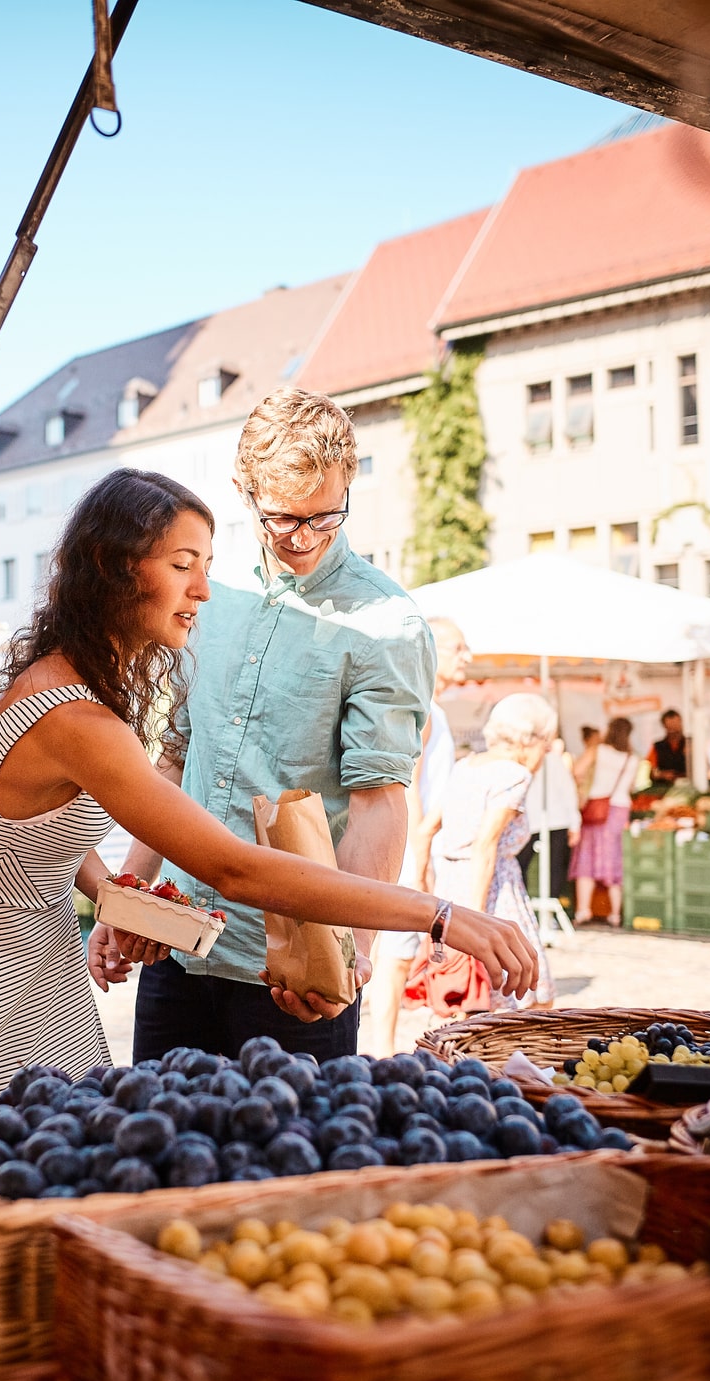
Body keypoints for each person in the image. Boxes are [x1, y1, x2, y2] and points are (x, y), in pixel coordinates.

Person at [0, 469, 538, 1155]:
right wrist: (438, 914)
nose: (203, 590)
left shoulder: (72, 685)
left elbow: (38, 839)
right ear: (115, 569)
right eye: (182, 566)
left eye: (205, 565)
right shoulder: (77, 717)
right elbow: (232, 868)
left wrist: (116, 897)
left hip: (28, 955)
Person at [93, 389, 436, 1062]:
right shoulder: (208, 595)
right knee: (160, 1156)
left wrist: (352, 954)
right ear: (242, 491)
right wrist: (123, 900)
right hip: (177, 946)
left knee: (286, 1163)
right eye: (283, 519)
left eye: (324, 517)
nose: (304, 539)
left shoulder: (385, 624)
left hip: (294, 966)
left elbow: (377, 801)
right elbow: (174, 762)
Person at [407, 694, 559, 1015]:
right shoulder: (514, 775)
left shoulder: (466, 766)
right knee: (532, 991)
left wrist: (423, 883)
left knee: (468, 998)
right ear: (529, 740)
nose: (546, 753)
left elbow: (425, 830)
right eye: (546, 743)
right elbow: (485, 845)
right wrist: (476, 919)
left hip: (450, 886)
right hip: (491, 889)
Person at [363, 616, 469, 1056]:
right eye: (459, 648)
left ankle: (382, 1045)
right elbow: (408, 784)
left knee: (399, 953)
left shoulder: (433, 708)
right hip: (408, 844)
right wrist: (421, 853)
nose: (469, 658)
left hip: (414, 842)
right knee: (396, 953)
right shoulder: (422, 707)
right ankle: (381, 1049)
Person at [571, 717, 636, 926]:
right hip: (620, 810)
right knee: (614, 857)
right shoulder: (632, 759)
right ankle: (615, 913)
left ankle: (583, 910)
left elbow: (576, 771)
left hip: (596, 808)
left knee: (587, 858)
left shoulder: (597, 751)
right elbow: (632, 787)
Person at [516, 728, 579, 917]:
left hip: (549, 820)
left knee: (550, 869)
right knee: (527, 867)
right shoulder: (522, 761)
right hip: (538, 820)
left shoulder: (551, 760)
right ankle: (525, 911)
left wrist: (574, 822)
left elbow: (568, 791)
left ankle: (543, 915)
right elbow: (568, 791)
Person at [648, 709, 689, 789]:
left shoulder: (691, 744)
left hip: (687, 788)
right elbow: (652, 771)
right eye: (671, 728)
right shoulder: (657, 746)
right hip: (663, 790)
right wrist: (662, 775)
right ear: (665, 727)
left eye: (676, 727)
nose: (674, 731)